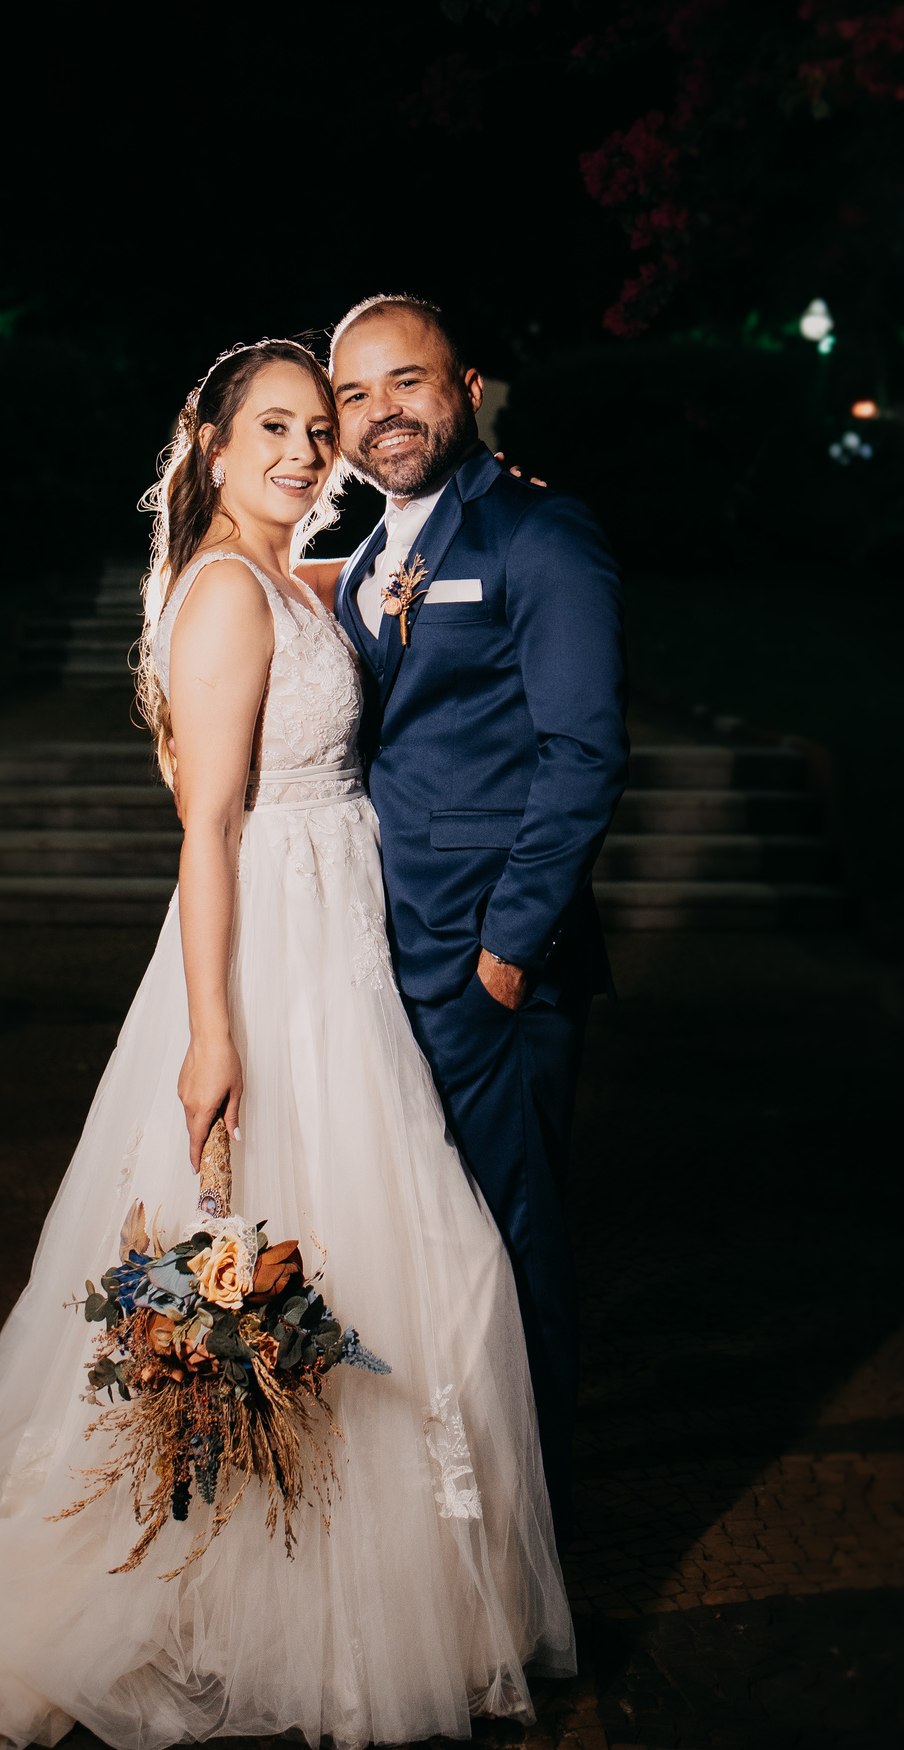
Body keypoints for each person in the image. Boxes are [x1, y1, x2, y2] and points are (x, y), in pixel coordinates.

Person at [0, 340, 574, 1750]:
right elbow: (208, 827)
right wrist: (213, 1033)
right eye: (274, 428)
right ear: (213, 447)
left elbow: (388, 582)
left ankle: (348, 1594)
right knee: (317, 1261)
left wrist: (477, 486)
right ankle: (256, 1595)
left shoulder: (292, 574)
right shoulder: (228, 592)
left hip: (341, 940)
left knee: (406, 1265)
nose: (304, 451)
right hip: (274, 953)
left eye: (318, 429)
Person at [303, 296, 629, 1555]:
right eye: (357, 394)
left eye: (410, 381)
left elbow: (583, 753)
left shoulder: (539, 533)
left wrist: (509, 952)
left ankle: (530, 1544)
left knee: (508, 1242)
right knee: (426, 1242)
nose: (384, 411)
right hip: (385, 956)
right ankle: (441, 1525)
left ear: (468, 387)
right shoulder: (372, 548)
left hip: (489, 968)